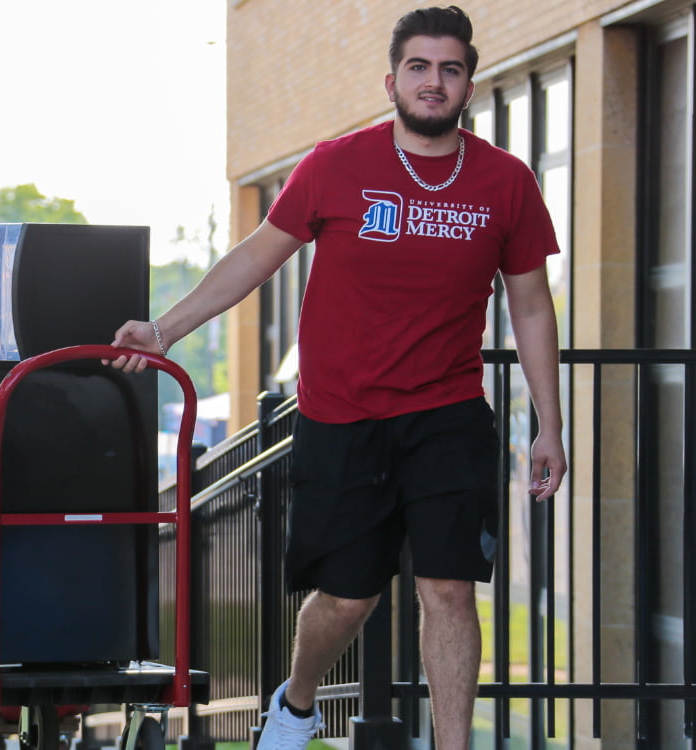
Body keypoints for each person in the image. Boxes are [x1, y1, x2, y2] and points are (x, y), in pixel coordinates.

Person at [109, 7, 566, 749]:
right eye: (419, 67)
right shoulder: (334, 165)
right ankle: (296, 703)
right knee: (347, 599)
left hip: (449, 413)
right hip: (343, 416)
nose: (433, 82)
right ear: (392, 80)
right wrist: (164, 331)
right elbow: (255, 258)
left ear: (469, 85)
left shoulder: (504, 182)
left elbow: (533, 307)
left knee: (449, 591)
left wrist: (550, 424)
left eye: (449, 69)